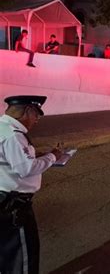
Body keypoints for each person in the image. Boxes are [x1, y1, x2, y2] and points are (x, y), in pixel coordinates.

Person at [0, 95, 62, 274]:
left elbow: (10, 159)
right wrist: (52, 157)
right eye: (37, 115)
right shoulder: (13, 135)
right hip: (13, 207)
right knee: (23, 255)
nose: (36, 120)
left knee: (5, 253)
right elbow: (26, 169)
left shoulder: (2, 128)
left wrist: (37, 154)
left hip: (3, 199)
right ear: (27, 111)